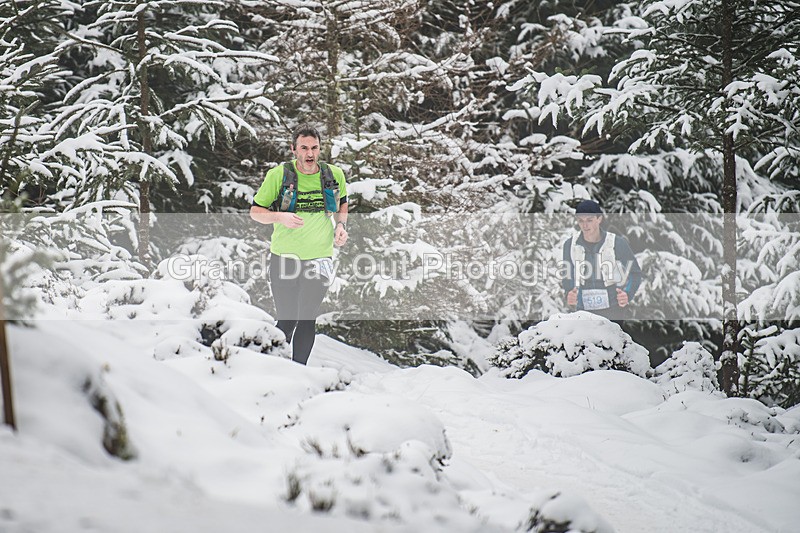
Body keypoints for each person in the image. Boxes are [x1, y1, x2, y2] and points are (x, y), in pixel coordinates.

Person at [249, 124, 348, 364]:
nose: (310, 153)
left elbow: (342, 203)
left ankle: (299, 371)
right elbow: (255, 212)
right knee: (287, 319)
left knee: (307, 318)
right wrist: (279, 217)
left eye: (314, 148)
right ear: (294, 149)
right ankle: (273, 367)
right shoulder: (279, 175)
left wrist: (341, 225)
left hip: (320, 257)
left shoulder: (333, 175)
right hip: (285, 257)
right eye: (304, 148)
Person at [562, 200, 641, 320]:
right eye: (581, 221)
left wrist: (627, 294)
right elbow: (567, 276)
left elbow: (635, 273)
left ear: (599, 219)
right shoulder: (570, 245)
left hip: (613, 310)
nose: (585, 225)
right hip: (583, 311)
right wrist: (569, 293)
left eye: (589, 220)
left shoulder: (616, 243)